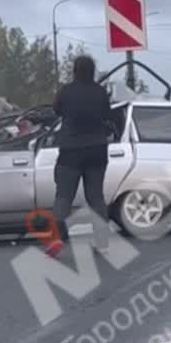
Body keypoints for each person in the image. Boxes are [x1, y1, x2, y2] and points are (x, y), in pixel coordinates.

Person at [47, 53, 120, 257]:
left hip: (70, 150)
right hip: (97, 149)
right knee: (96, 196)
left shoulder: (66, 92)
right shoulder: (100, 92)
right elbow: (108, 115)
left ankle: (58, 238)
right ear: (92, 71)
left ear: (74, 70)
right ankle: (102, 241)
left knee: (63, 196)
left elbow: (57, 111)